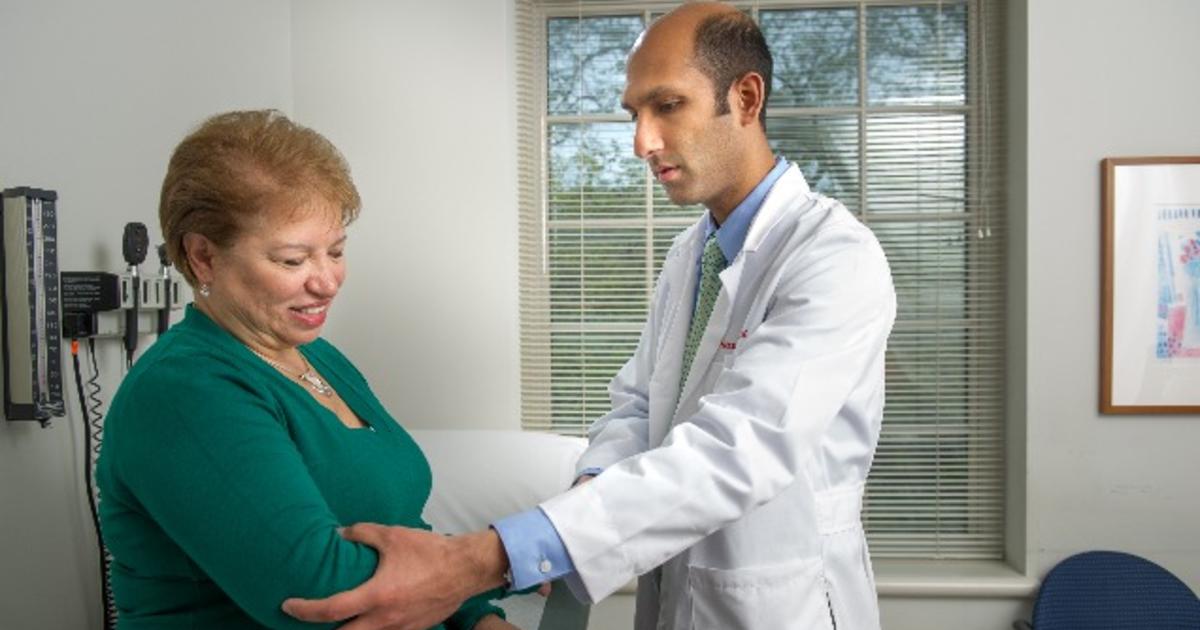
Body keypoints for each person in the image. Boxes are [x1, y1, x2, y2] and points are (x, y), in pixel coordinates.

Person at [283, 2, 896, 629]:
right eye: (635, 114)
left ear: (744, 98)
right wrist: (589, 491)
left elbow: (743, 448)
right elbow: (639, 406)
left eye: (668, 106)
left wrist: (491, 557)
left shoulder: (834, 257)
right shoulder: (692, 255)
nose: (641, 142)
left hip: (785, 605)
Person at [95, 110, 516, 630]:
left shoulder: (317, 357)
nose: (327, 281)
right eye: (293, 261)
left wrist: (480, 620)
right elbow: (316, 587)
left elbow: (402, 529)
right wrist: (497, 559)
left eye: (335, 251)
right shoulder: (182, 390)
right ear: (203, 257)